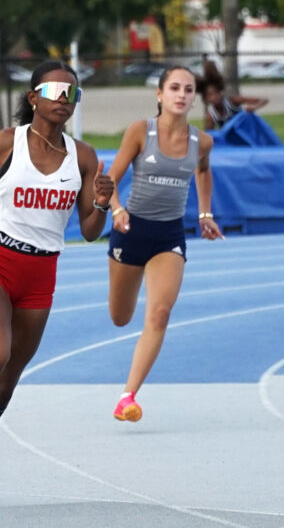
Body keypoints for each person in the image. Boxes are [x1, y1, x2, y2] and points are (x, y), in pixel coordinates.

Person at [0, 61, 114, 508]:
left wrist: (103, 204)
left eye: (73, 93)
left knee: (2, 388)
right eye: (55, 90)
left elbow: (89, 230)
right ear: (33, 96)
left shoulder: (84, 158)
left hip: (41, 276)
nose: (64, 100)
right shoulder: (2, 143)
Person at [105, 66, 223, 423]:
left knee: (159, 314)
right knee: (120, 318)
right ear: (160, 94)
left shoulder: (201, 142)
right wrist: (117, 210)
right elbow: (111, 179)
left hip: (169, 237)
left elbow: (203, 170)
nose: (182, 94)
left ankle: (127, 396)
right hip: (131, 231)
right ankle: (124, 295)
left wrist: (204, 214)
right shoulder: (141, 131)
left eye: (188, 89)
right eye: (174, 88)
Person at [200, 76, 268, 130]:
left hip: (248, 133)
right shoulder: (211, 116)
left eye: (216, 93)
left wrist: (254, 107)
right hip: (232, 143)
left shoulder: (232, 101)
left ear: (220, 92)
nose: (214, 97)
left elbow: (264, 100)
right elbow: (209, 135)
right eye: (210, 95)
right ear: (206, 99)